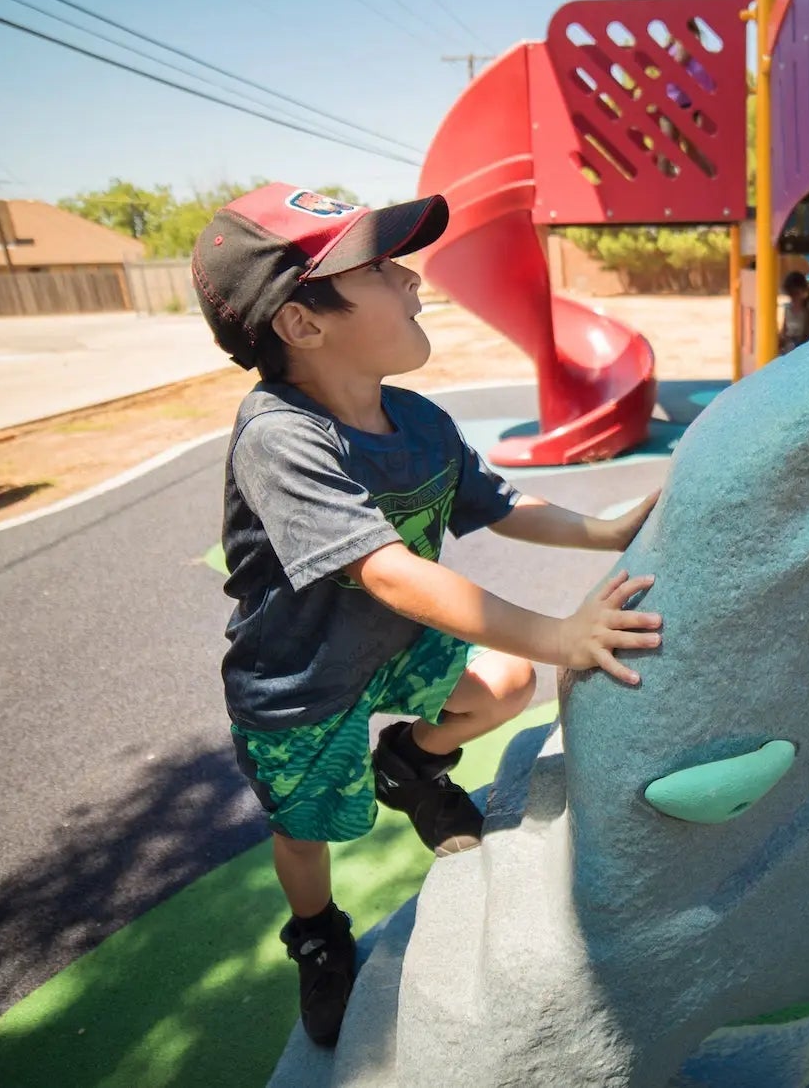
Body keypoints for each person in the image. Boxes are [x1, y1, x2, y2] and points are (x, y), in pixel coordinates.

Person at [190, 183, 663, 1047]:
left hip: (394, 647)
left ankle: (410, 767)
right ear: (301, 323)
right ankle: (318, 934)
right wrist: (563, 632)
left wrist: (608, 530)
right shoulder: (281, 435)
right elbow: (391, 573)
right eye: (378, 269)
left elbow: (500, 503)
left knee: (504, 683)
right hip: (300, 681)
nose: (411, 279)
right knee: (306, 830)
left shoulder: (416, 418)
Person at [779, 270, 809, 354]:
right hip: (790, 352)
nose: (793, 298)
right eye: (791, 295)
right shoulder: (788, 310)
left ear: (803, 292)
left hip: (806, 352)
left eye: (795, 294)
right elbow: (784, 332)